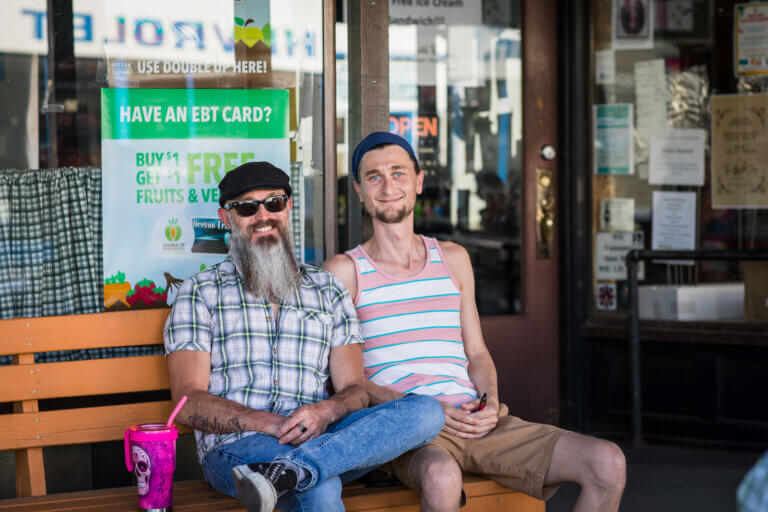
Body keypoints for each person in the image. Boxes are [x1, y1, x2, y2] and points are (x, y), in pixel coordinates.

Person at [324, 133, 627, 512]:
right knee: (441, 478)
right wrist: (426, 409)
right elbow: (350, 385)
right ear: (359, 190)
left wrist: (490, 401)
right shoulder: (344, 271)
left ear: (418, 181)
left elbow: (478, 353)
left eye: (399, 173)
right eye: (374, 177)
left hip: (475, 420)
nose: (388, 186)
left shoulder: (452, 258)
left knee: (607, 463)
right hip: (410, 432)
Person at [164, 161, 444, 512]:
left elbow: (355, 391)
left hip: (324, 437)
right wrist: (275, 424)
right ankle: (300, 470)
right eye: (248, 208)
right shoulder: (200, 293)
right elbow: (187, 403)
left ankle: (290, 472)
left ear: (289, 208)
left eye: (274, 203)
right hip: (237, 447)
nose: (263, 216)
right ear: (227, 219)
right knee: (322, 489)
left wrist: (325, 412)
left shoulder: (327, 289)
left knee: (427, 411)